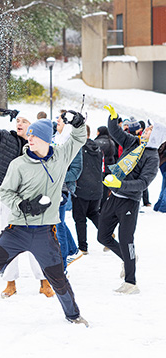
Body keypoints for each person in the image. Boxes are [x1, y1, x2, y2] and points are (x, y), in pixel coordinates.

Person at [0, 115, 89, 329]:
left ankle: (73, 315)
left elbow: (78, 139)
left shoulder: (60, 157)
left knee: (58, 278)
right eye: (29, 136)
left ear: (47, 139)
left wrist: (78, 124)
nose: (30, 139)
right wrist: (23, 205)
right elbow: (5, 191)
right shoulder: (18, 164)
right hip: (16, 231)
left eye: (35, 136)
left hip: (44, 233)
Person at [0, 87, 54, 298]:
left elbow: (54, 171)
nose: (19, 124)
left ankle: (44, 282)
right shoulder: (6, 139)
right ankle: (10, 282)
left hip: (35, 202)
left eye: (24, 121)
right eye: (18, 121)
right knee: (8, 241)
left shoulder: (42, 149)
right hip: (9, 200)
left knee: (39, 242)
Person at [98, 105, 159, 294]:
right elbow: (115, 132)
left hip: (129, 202)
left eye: (150, 130)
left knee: (126, 240)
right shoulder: (134, 143)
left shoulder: (152, 157)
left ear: (156, 136)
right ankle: (128, 258)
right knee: (103, 237)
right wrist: (113, 118)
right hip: (114, 198)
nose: (145, 130)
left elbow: (143, 183)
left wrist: (119, 184)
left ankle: (131, 282)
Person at [52, 111, 83, 269]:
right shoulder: (52, 138)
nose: (57, 120)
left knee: (58, 226)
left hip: (61, 189)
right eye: (58, 118)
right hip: (47, 189)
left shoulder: (72, 143)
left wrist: (57, 176)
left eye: (61, 119)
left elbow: (76, 170)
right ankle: (73, 250)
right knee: (59, 224)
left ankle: (62, 264)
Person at [72, 125, 103, 254]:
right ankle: (107, 232)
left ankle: (83, 247)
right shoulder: (97, 148)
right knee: (93, 213)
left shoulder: (78, 148)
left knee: (79, 218)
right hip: (96, 186)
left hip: (82, 187)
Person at [94, 126, 117, 209]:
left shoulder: (96, 142)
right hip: (110, 167)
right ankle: (104, 205)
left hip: (100, 167)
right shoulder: (111, 142)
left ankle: (98, 205)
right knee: (106, 188)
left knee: (99, 187)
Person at [154, 141, 166, 213]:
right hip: (164, 163)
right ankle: (163, 207)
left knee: (164, 186)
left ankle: (158, 206)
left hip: (162, 163)